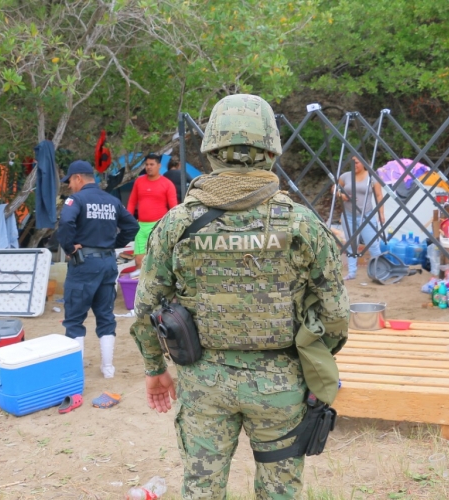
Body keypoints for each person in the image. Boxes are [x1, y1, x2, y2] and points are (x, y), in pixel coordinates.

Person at [130, 94, 349, 499]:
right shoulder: (302, 224)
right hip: (280, 384)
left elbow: (145, 309)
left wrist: (153, 368)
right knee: (280, 492)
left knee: (202, 489)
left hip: (203, 384)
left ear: (210, 149)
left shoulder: (176, 224)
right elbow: (335, 313)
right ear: (271, 149)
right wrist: (316, 362)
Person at [57, 160, 139, 378]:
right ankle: (108, 369)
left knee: (74, 318)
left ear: (78, 178)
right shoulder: (112, 201)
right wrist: (113, 243)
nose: (69, 187)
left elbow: (65, 223)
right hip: (107, 263)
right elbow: (133, 225)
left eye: (70, 182)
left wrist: (68, 247)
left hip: (84, 264)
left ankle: (76, 371)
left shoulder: (76, 199)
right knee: (105, 315)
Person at [334, 153, 386, 280]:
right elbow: (335, 188)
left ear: (364, 163)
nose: (354, 165)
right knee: (351, 244)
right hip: (348, 216)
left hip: (366, 215)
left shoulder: (372, 177)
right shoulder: (345, 176)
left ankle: (380, 270)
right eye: (352, 163)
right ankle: (352, 272)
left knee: (372, 244)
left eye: (356, 162)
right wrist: (342, 195)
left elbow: (379, 195)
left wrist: (381, 213)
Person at [127, 153, 177, 269]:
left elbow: (174, 208)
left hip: (159, 227)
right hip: (141, 227)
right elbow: (131, 202)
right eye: (147, 164)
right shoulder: (139, 182)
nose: (149, 167)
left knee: (158, 261)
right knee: (139, 261)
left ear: (159, 165)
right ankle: (140, 286)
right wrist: (128, 221)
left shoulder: (167, 184)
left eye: (152, 164)